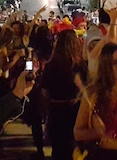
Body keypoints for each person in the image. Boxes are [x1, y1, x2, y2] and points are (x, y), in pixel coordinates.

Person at [74, 42, 117, 160]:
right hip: (97, 154)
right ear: (106, 66)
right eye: (116, 63)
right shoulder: (93, 93)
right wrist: (97, 133)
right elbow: (77, 133)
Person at [41, 29, 88, 160]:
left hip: (56, 110)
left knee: (58, 149)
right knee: (74, 148)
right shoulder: (81, 65)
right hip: (75, 110)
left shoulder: (51, 65)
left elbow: (44, 91)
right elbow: (88, 90)